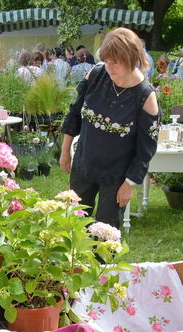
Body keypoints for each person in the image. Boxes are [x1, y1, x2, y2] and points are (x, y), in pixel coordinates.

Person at [60, 27, 159, 228]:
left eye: (115, 62)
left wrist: (129, 184)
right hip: (84, 165)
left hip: (116, 177)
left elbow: (145, 149)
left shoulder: (146, 97)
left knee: (104, 236)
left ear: (131, 58)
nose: (109, 67)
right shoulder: (96, 75)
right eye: (106, 61)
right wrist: (65, 151)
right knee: (74, 228)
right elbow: (75, 115)